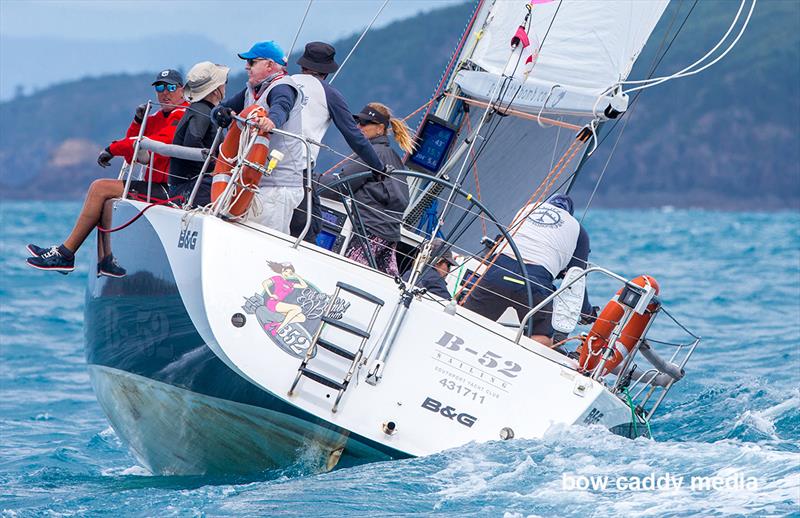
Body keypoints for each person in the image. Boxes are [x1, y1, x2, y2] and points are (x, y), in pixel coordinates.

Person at [26, 69, 188, 276]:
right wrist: (138, 121)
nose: (165, 92)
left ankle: (66, 253)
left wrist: (112, 149)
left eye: (171, 87)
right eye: (160, 87)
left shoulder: (182, 115)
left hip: (171, 189)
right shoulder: (157, 117)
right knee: (106, 198)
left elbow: (152, 144)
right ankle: (106, 260)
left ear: (181, 90)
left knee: (100, 187)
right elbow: (132, 153)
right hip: (155, 185)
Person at [462, 194, 594, 346]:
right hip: (535, 282)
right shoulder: (578, 229)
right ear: (569, 213)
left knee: (468, 319)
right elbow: (576, 280)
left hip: (498, 272)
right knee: (542, 336)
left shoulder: (528, 208)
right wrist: (587, 313)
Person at [287, 42, 386, 242]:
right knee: (309, 229)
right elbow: (354, 136)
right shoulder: (330, 94)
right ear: (328, 70)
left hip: (261, 160)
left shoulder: (282, 82)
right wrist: (378, 167)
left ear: (303, 64)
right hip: (297, 170)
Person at [212, 41, 305, 234]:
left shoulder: (283, 87)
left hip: (278, 185)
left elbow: (282, 106)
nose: (247, 66)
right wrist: (219, 113)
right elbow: (221, 108)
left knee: (266, 239)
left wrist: (272, 121)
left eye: (252, 62)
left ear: (269, 65)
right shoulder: (252, 90)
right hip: (252, 180)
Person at [320, 102, 415, 276]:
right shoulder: (391, 155)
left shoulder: (373, 152)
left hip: (369, 231)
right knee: (382, 282)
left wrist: (307, 179)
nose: (358, 127)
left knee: (348, 276)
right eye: (358, 122)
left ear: (379, 128)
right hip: (388, 234)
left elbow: (341, 186)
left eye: (364, 123)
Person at [169, 62, 229, 206]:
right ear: (215, 90)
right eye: (224, 82)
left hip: (187, 184)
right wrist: (216, 166)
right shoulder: (202, 111)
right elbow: (192, 142)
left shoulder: (199, 108)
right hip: (194, 187)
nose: (225, 85)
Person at [262, 261, 309, 336]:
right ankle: (279, 328)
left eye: (290, 273)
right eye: (286, 271)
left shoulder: (290, 284)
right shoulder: (278, 278)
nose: (287, 274)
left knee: (302, 318)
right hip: (273, 303)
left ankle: (275, 324)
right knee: (298, 309)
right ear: (282, 270)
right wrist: (271, 294)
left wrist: (296, 276)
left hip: (279, 305)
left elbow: (304, 286)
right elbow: (264, 283)